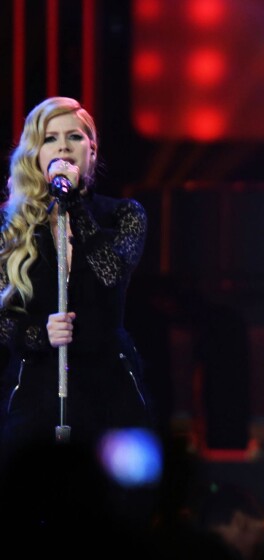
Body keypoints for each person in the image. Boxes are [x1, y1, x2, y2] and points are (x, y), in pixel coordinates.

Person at [0, 96, 152, 461]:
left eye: (75, 137)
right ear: (35, 154)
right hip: (34, 390)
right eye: (50, 138)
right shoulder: (11, 227)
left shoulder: (124, 215)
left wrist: (72, 206)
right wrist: (40, 333)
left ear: (93, 152)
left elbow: (109, 274)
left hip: (109, 388)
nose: (64, 146)